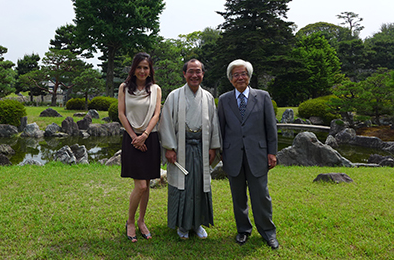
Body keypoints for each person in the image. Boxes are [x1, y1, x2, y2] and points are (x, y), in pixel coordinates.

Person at [217, 59, 279, 249]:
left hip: (258, 154)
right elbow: (220, 128)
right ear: (230, 79)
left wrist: (272, 152)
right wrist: (221, 153)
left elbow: (271, 127)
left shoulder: (263, 97)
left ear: (249, 76)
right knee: (238, 197)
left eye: (243, 73)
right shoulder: (224, 99)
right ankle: (243, 230)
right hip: (232, 154)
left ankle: (268, 232)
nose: (240, 77)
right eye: (235, 74)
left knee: (261, 196)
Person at [159, 59, 221, 240]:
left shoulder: (208, 97)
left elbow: (214, 123)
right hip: (180, 148)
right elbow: (166, 123)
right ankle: (183, 225)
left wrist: (213, 147)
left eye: (198, 71)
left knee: (200, 186)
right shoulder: (174, 96)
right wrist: (169, 148)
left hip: (202, 147)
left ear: (203, 74)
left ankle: (198, 224)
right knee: (182, 187)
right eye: (191, 71)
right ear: (184, 74)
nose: (195, 75)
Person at [118, 52, 162, 243]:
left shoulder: (156, 89)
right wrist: (134, 137)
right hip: (131, 138)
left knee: (147, 185)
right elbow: (121, 114)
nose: (142, 71)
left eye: (146, 67)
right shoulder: (124, 88)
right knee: (141, 185)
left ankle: (142, 221)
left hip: (150, 138)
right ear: (133, 69)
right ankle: (130, 222)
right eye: (139, 67)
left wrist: (144, 136)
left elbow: (156, 115)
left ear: (150, 69)